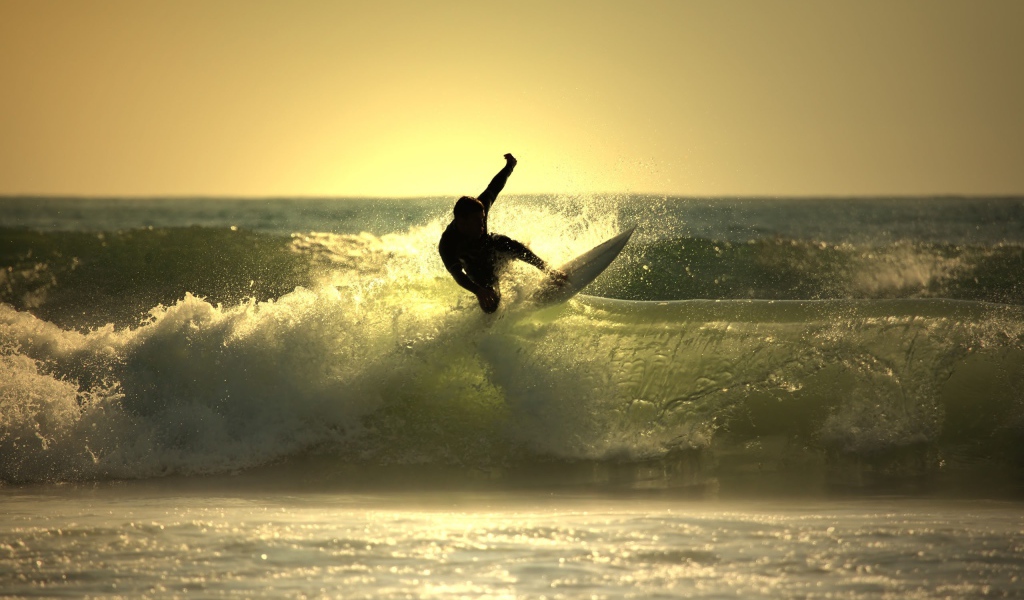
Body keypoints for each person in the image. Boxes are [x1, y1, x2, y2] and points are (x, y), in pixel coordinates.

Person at [438, 153, 565, 313]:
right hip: (475, 265)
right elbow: (457, 274)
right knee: (491, 303)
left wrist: (510, 166)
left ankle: (549, 271)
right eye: (477, 222)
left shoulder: (480, 207)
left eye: (482, 220)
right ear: (462, 221)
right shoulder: (447, 244)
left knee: (504, 242)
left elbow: (495, 186)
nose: (482, 225)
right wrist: (478, 291)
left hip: (491, 247)